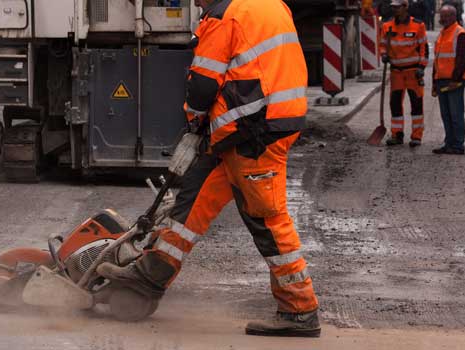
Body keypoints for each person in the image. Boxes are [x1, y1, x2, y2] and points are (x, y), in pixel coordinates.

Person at [98, 0, 321, 338]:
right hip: (247, 128)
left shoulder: (223, 16)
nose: (197, 3)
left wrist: (193, 120)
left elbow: (203, 85)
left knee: (266, 219)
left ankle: (300, 310)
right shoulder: (272, 5)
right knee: (191, 202)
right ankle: (149, 276)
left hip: (252, 133)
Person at [380, 0, 429, 147]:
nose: (395, 9)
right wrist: (383, 55)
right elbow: (383, 45)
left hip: (413, 72)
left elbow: (424, 48)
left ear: (405, 7)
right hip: (396, 72)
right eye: (393, 7)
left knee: (416, 105)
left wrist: (422, 66)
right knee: (395, 104)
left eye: (397, 7)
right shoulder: (387, 26)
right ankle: (397, 135)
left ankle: (416, 137)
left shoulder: (418, 25)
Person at [431, 4, 465, 155]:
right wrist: (434, 82)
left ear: (454, 16)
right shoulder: (442, 34)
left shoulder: (460, 33)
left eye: (447, 16)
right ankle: (449, 143)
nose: (444, 19)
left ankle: (458, 146)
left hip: (455, 81)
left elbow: (463, 59)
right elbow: (438, 60)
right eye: (442, 16)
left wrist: (456, 79)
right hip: (442, 80)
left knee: (455, 114)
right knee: (446, 115)